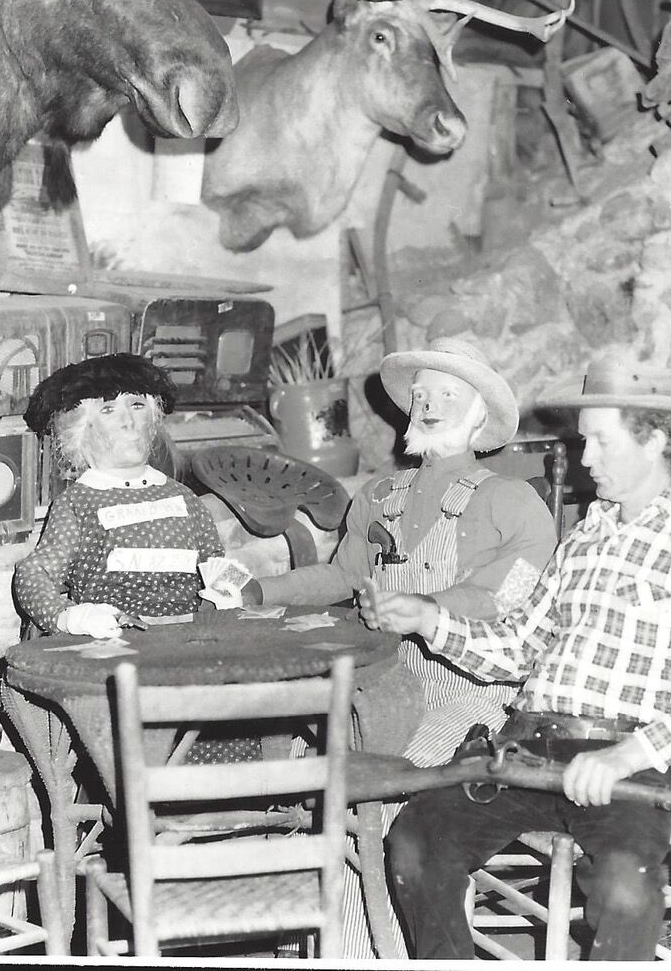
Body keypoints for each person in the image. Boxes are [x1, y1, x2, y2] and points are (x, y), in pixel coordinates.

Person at [361, 354, 671, 961]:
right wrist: (431, 620)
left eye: (600, 441)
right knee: (414, 840)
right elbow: (521, 644)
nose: (585, 459)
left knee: (627, 892)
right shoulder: (584, 536)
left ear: (653, 440)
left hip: (626, 765)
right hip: (523, 750)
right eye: (582, 442)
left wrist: (627, 756)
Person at [247, 336, 558, 957]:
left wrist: (424, 611)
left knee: (378, 795)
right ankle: (339, 948)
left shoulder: (511, 501)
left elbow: (508, 596)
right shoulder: (379, 497)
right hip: (386, 685)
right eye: (422, 394)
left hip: (476, 698)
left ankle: (387, 953)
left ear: (479, 416)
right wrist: (259, 589)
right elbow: (341, 576)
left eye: (449, 394)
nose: (431, 405)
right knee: (328, 783)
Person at [14, 352, 225, 639]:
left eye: (137, 405)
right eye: (108, 410)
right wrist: (70, 617)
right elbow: (35, 574)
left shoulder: (183, 497)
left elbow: (217, 564)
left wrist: (234, 588)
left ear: (152, 417)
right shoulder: (79, 502)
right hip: (109, 639)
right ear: (80, 430)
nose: (128, 421)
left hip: (185, 638)